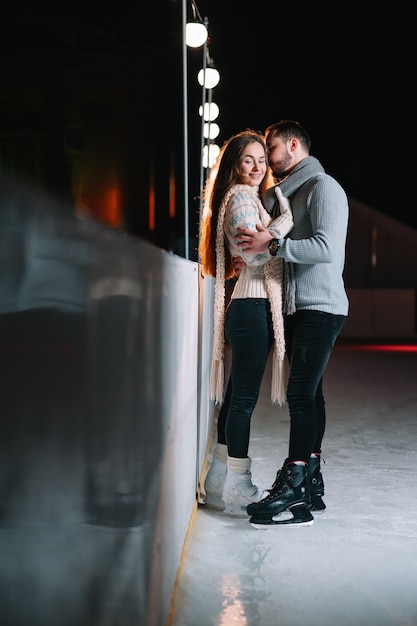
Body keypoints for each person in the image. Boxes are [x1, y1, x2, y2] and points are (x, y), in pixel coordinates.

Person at [233, 120, 349, 527]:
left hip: (322, 304)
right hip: (300, 307)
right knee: (310, 394)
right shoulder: (290, 196)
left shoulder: (324, 188)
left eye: (272, 148)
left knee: (300, 393)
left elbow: (326, 247)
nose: (268, 157)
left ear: (293, 145)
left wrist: (275, 243)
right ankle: (311, 483)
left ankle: (295, 478)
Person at [198, 129, 294, 517]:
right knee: (243, 402)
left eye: (260, 159)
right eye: (247, 160)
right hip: (252, 308)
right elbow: (255, 256)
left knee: (238, 398)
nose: (256, 167)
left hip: (250, 306)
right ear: (235, 165)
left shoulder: (247, 197)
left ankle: (220, 478)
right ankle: (238, 483)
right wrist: (284, 221)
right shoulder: (240, 197)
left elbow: (250, 250)